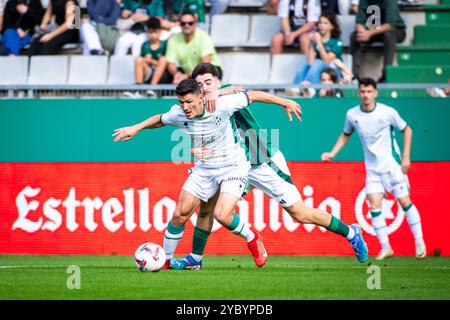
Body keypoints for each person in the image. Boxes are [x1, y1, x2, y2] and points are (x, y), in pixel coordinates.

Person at [166, 62, 369, 270]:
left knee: (300, 213)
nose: (205, 88)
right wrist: (193, 150)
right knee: (206, 208)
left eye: (209, 82)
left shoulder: (225, 97)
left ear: (218, 82)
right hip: (231, 166)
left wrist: (283, 101)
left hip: (261, 161)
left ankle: (351, 233)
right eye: (200, 85)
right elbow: (199, 132)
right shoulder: (199, 107)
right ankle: (195, 258)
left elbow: (242, 89)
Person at [113, 79, 302, 269]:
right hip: (205, 169)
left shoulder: (221, 105)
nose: (185, 107)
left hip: (234, 166)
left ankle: (252, 237)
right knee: (180, 213)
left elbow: (254, 95)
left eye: (189, 102)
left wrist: (284, 102)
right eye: (181, 102)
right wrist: (135, 128)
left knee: (222, 214)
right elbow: (160, 119)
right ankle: (166, 261)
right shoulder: (178, 113)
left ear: (201, 98)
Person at [321, 78, 427, 260]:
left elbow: (407, 130)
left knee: (404, 201)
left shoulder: (387, 112)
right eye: (363, 92)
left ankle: (420, 243)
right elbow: (346, 134)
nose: (366, 95)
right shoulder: (352, 115)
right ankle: (386, 248)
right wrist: (333, 152)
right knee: (374, 205)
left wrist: (406, 157)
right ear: (358, 93)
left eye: (369, 92)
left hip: (392, 166)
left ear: (375, 93)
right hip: (372, 170)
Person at [350, 0, 406, 83]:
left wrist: (369, 33)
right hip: (374, 29)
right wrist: (361, 30)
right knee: (355, 36)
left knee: (389, 36)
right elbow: (359, 21)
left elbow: (390, 24)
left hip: (396, 30)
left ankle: (386, 74)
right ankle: (355, 75)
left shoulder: (389, 1)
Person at [165, 11, 222, 84]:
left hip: (210, 69)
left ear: (195, 24)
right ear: (179, 24)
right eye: (183, 23)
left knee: (205, 73)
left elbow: (205, 62)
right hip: (190, 73)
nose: (186, 25)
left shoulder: (203, 36)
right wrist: (176, 74)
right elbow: (170, 63)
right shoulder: (173, 39)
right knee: (166, 75)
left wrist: (186, 76)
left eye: (190, 23)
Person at [293, 11, 344, 84]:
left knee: (318, 63)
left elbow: (327, 61)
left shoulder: (337, 41)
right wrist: (312, 42)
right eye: (320, 23)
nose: (321, 25)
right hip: (318, 72)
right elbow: (310, 62)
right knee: (304, 66)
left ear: (332, 26)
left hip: (333, 72)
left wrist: (319, 43)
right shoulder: (316, 40)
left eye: (325, 23)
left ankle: (307, 88)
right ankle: (295, 89)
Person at [134, 16, 170, 85]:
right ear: (147, 32)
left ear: (160, 31)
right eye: (150, 32)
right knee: (138, 59)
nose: (153, 35)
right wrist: (154, 62)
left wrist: (151, 61)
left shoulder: (165, 45)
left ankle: (153, 87)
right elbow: (145, 61)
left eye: (155, 32)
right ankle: (138, 88)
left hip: (163, 75)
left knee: (163, 59)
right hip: (149, 73)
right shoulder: (145, 45)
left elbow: (166, 64)